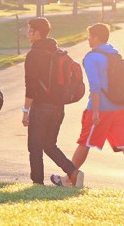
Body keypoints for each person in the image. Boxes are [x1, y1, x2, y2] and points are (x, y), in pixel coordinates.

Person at [56, 23, 124, 190]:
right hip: (121, 107)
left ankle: (68, 179)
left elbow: (95, 86)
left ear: (95, 37)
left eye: (89, 36)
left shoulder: (91, 58)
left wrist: (95, 110)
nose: (88, 39)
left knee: (85, 142)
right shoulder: (114, 53)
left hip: (101, 109)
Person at [22, 17, 83, 187]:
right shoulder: (57, 52)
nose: (27, 35)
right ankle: (73, 172)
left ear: (38, 33)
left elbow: (31, 86)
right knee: (49, 145)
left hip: (41, 107)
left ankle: (37, 183)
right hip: (58, 108)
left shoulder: (33, 55)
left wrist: (25, 111)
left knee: (35, 147)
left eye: (29, 31)